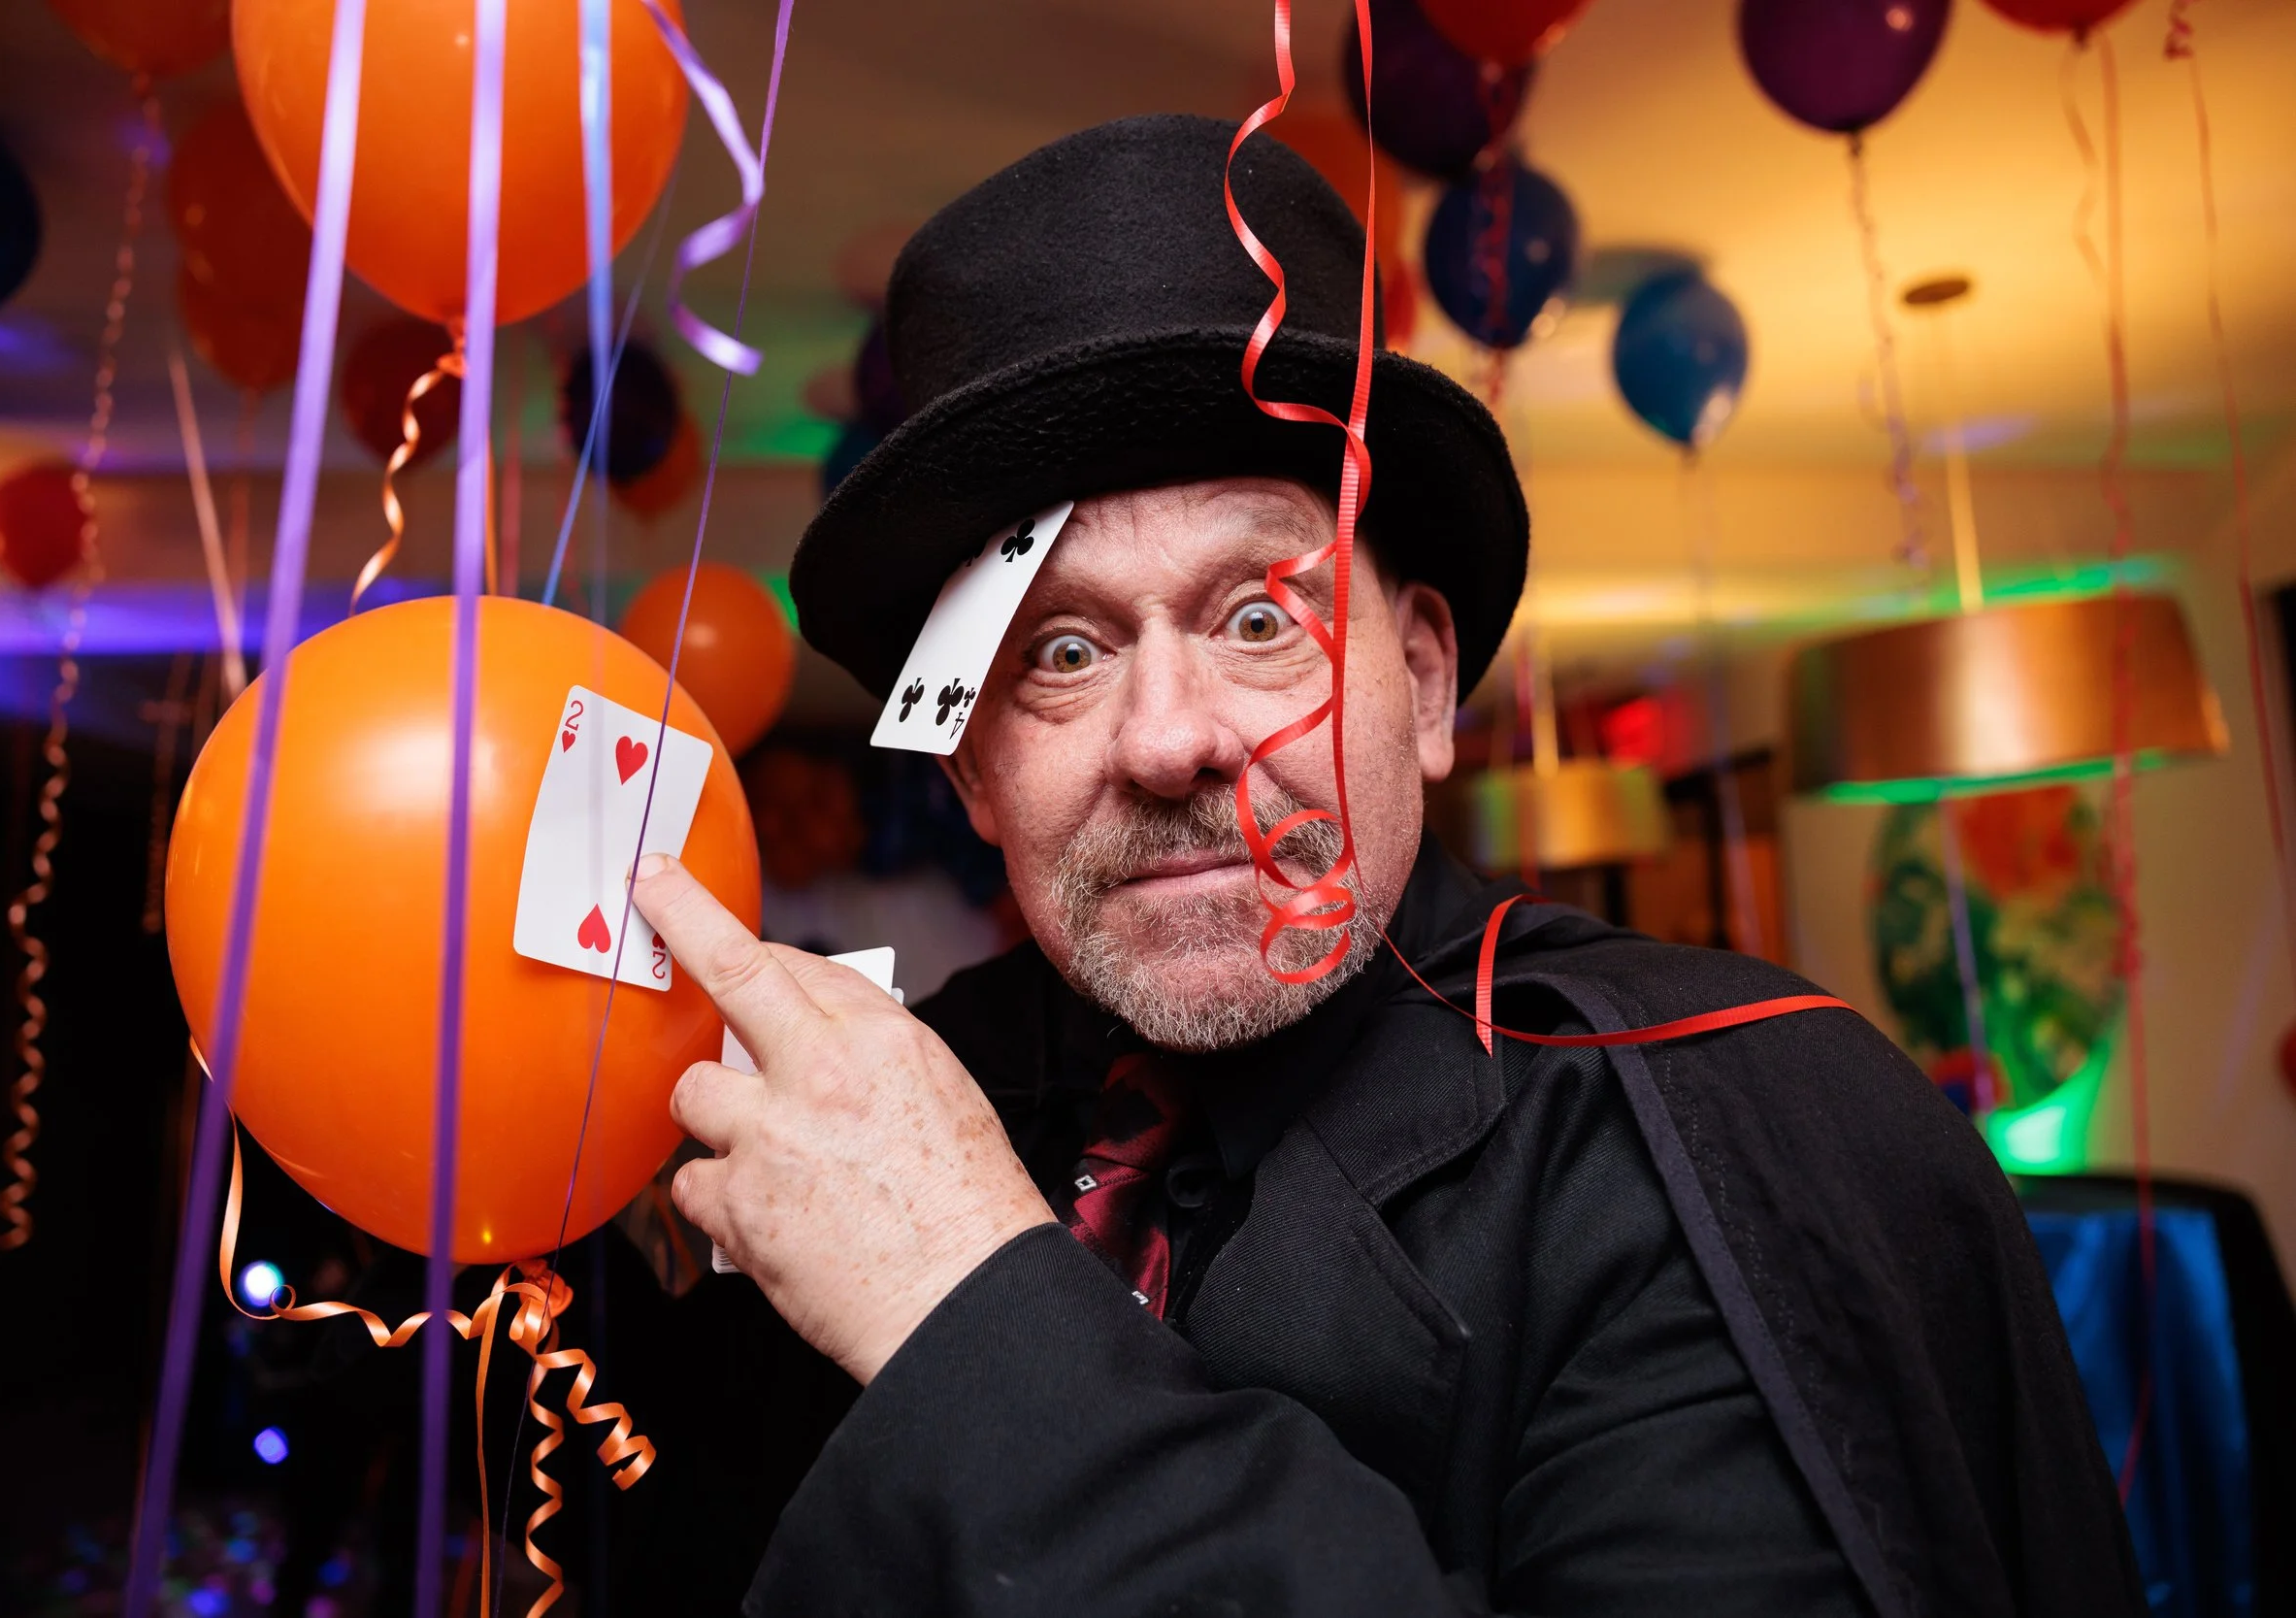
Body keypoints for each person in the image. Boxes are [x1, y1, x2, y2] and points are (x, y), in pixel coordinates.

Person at [626, 116, 2142, 1617]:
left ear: (1421, 681)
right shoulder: (888, 1095)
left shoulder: (1724, 1132)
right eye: (1064, 653)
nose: (1169, 739)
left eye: (1258, 619)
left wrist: (968, 1303)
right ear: (970, 766)